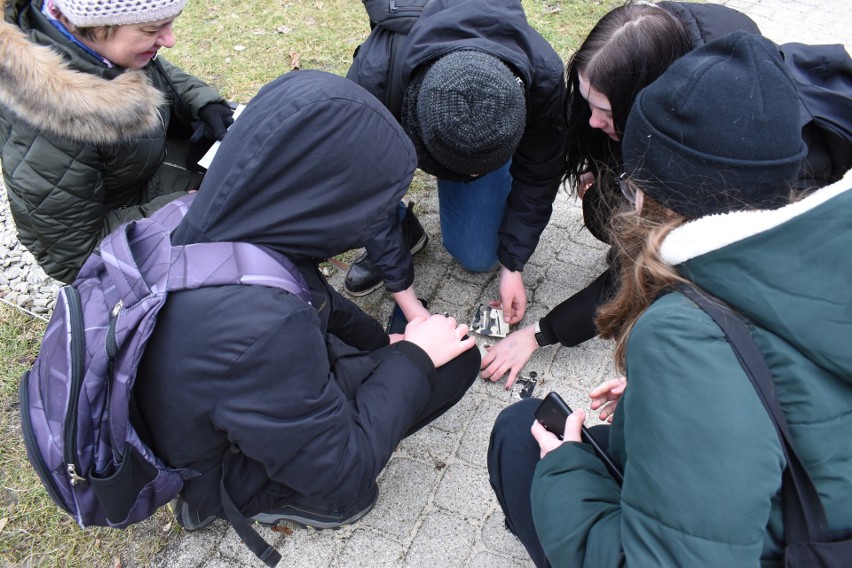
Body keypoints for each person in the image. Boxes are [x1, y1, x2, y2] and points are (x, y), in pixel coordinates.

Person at [487, 31, 852, 566]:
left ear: (658, 191)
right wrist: (650, 398)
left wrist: (566, 467)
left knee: (523, 438)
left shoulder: (683, 336)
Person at [133, 70, 481, 534]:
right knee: (455, 361)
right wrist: (415, 358)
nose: (371, 222)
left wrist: (387, 345)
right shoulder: (264, 326)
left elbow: (320, 303)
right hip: (212, 465)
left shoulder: (204, 218)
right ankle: (260, 498)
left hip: (192, 420)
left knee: (389, 359)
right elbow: (342, 468)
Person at [480, 0, 852, 387]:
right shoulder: (643, 51)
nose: (591, 121)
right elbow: (550, 164)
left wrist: (540, 333)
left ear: (648, 105)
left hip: (773, 223)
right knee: (603, 207)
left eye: (605, 112)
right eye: (588, 103)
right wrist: (514, 262)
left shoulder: (718, 158)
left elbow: (642, 263)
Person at [344, 0, 567, 327]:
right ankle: (404, 227)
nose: (472, 176)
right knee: (346, 205)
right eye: (466, 170)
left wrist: (513, 266)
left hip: (476, 115)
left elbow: (539, 174)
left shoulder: (542, 77)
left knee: (478, 256)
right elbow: (367, 190)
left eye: (480, 168)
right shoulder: (376, 80)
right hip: (398, 97)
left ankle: (480, 165)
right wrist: (405, 297)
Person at [0, 0, 234, 283]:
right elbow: (76, 257)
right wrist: (179, 209)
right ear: (93, 26)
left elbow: (154, 70)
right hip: (115, 220)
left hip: (142, 169)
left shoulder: (89, 44)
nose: (169, 40)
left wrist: (200, 101)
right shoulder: (47, 132)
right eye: (151, 29)